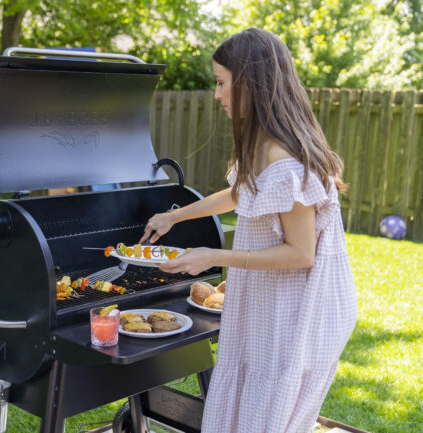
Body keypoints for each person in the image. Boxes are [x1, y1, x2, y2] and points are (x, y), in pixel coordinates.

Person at [139, 28, 358, 433]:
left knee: (268, 417)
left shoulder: (286, 159)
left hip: (302, 309)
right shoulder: (261, 144)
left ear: (251, 83)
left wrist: (214, 257)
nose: (217, 94)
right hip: (271, 300)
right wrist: (175, 216)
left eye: (222, 83)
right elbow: (240, 194)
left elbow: (301, 253)